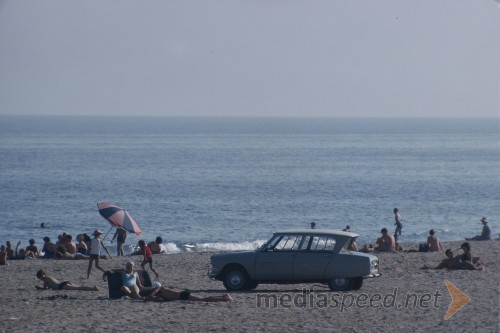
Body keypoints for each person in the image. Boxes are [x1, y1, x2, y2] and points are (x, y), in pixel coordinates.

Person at [144, 286, 234, 303]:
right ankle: (223, 297)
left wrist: (149, 296)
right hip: (182, 295)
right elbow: (155, 298)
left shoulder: (160, 288)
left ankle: (224, 298)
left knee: (204, 299)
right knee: (204, 298)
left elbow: (154, 292)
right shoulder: (161, 295)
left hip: (183, 295)